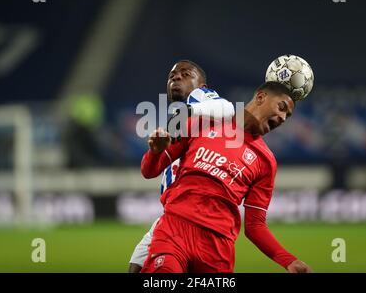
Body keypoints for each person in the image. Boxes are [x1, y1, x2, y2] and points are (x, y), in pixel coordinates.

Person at [140, 81, 312, 273]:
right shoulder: (202, 122)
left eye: (287, 116)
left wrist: (289, 261)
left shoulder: (266, 162)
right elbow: (149, 171)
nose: (282, 117)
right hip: (174, 231)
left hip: (217, 249)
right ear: (261, 97)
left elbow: (255, 225)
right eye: (281, 107)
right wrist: (155, 152)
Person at [128, 60, 234, 272]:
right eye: (172, 75)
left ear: (202, 85)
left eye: (186, 74)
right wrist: (155, 151)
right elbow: (148, 171)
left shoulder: (201, 100)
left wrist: (188, 110)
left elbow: (228, 107)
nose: (176, 77)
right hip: (172, 216)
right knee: (136, 265)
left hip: (196, 220)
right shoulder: (179, 120)